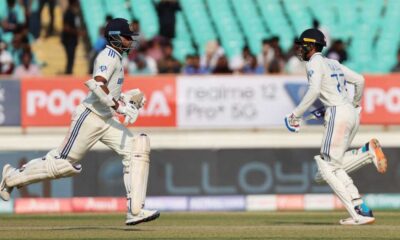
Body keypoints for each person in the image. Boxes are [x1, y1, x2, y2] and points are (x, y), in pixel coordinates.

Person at [0, 18, 160, 226]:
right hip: (90, 117)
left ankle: (135, 210)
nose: (131, 40)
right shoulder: (108, 55)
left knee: (137, 148)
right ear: (115, 37)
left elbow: (108, 91)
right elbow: (97, 83)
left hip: (105, 119)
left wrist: (126, 100)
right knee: (62, 164)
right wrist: (119, 107)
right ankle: (11, 177)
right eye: (127, 36)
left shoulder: (118, 58)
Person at [284, 29, 388, 225]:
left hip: (338, 113)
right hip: (349, 111)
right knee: (325, 172)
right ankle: (361, 199)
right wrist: (354, 104)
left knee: (326, 165)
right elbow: (360, 80)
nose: (299, 49)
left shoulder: (315, 62)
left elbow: (314, 90)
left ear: (312, 46)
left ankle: (358, 213)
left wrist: (295, 115)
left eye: (302, 45)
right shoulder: (333, 63)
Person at [61, 0, 80, 74]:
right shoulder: (68, 13)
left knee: (71, 58)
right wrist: (77, 32)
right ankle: (68, 73)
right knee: (70, 58)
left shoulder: (74, 13)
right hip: (68, 40)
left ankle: (69, 72)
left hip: (73, 40)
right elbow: (66, 27)